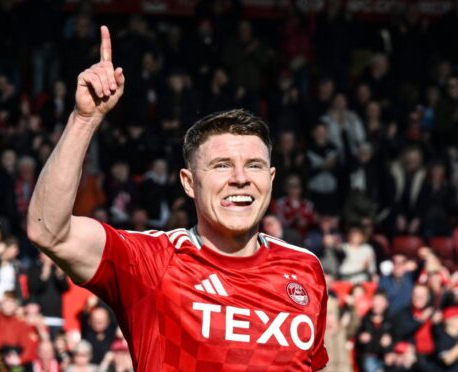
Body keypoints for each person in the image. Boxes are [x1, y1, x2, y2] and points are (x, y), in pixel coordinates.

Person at [27, 26, 328, 371]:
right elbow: (47, 230)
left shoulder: (305, 269)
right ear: (188, 183)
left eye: (254, 166)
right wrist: (85, 120)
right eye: (221, 165)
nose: (241, 178)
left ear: (271, 179)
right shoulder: (152, 262)